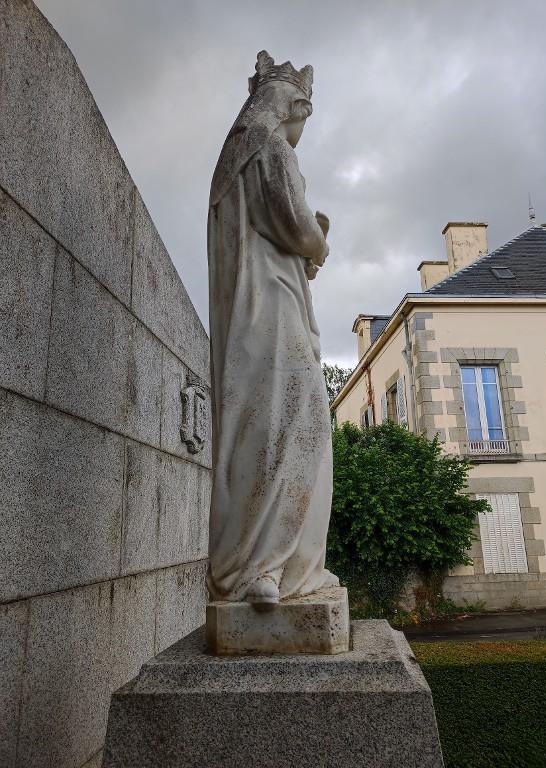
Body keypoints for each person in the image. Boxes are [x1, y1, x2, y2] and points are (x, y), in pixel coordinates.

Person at [207, 51, 338, 604]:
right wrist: (321, 241)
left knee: (257, 428)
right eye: (303, 120)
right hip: (275, 308)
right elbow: (296, 225)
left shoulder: (230, 161)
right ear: (292, 107)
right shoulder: (271, 148)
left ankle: (250, 569)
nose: (301, 132)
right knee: (301, 423)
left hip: (244, 319)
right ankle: (273, 568)